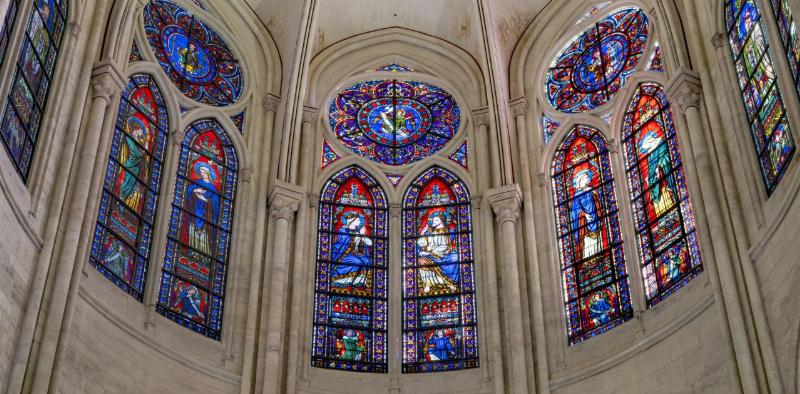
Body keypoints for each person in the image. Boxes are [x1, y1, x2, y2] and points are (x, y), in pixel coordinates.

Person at [416, 211, 460, 294]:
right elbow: (421, 243)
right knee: (422, 261)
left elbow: (444, 246)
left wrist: (430, 251)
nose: (433, 222)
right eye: (433, 220)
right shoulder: (430, 233)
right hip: (430, 256)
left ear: (442, 221)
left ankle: (448, 283)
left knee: (457, 257)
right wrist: (423, 232)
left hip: (441, 256)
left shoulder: (447, 233)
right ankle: (428, 283)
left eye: (436, 220)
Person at [330, 211, 372, 292]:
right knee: (358, 262)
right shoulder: (342, 230)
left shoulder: (357, 232)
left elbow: (369, 243)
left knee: (367, 261)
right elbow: (344, 243)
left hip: (355, 254)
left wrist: (362, 235)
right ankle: (346, 283)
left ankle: (359, 284)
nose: (359, 222)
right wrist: (359, 235)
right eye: (358, 220)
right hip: (343, 255)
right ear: (351, 221)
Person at [638, 130, 676, 218]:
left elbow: (666, 156)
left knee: (666, 193)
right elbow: (650, 168)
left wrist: (659, 166)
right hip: (655, 179)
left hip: (663, 175)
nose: (647, 149)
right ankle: (663, 218)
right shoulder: (650, 153)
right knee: (656, 192)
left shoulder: (661, 143)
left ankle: (673, 212)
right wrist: (649, 177)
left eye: (647, 146)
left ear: (650, 141)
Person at [115, 116, 148, 212]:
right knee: (127, 185)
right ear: (136, 130)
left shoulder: (139, 141)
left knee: (133, 187)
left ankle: (125, 206)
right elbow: (136, 154)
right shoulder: (129, 138)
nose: (141, 133)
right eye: (140, 131)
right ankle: (120, 202)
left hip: (137, 168)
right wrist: (144, 151)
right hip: (131, 166)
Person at [186, 162, 220, 255]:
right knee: (193, 229)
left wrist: (205, 199)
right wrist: (195, 190)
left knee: (205, 233)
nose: (203, 173)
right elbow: (188, 190)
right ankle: (192, 250)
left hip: (206, 215)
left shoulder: (212, 187)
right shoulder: (198, 183)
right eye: (201, 172)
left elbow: (216, 203)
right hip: (195, 211)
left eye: (204, 172)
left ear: (208, 173)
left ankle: (204, 254)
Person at [570, 168, 601, 260]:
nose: (587, 180)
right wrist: (584, 214)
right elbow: (576, 209)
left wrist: (595, 194)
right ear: (580, 181)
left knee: (597, 240)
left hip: (594, 217)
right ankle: (587, 259)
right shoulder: (577, 195)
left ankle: (598, 255)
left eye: (587, 178)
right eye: (585, 178)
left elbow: (598, 202)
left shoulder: (591, 190)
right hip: (584, 221)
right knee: (587, 241)